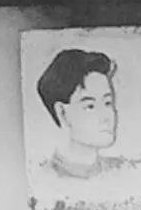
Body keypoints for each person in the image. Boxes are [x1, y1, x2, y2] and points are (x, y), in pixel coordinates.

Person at [35, 48, 120, 178]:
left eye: (108, 103)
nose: (106, 117)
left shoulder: (122, 171)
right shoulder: (45, 177)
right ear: (62, 113)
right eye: (90, 106)